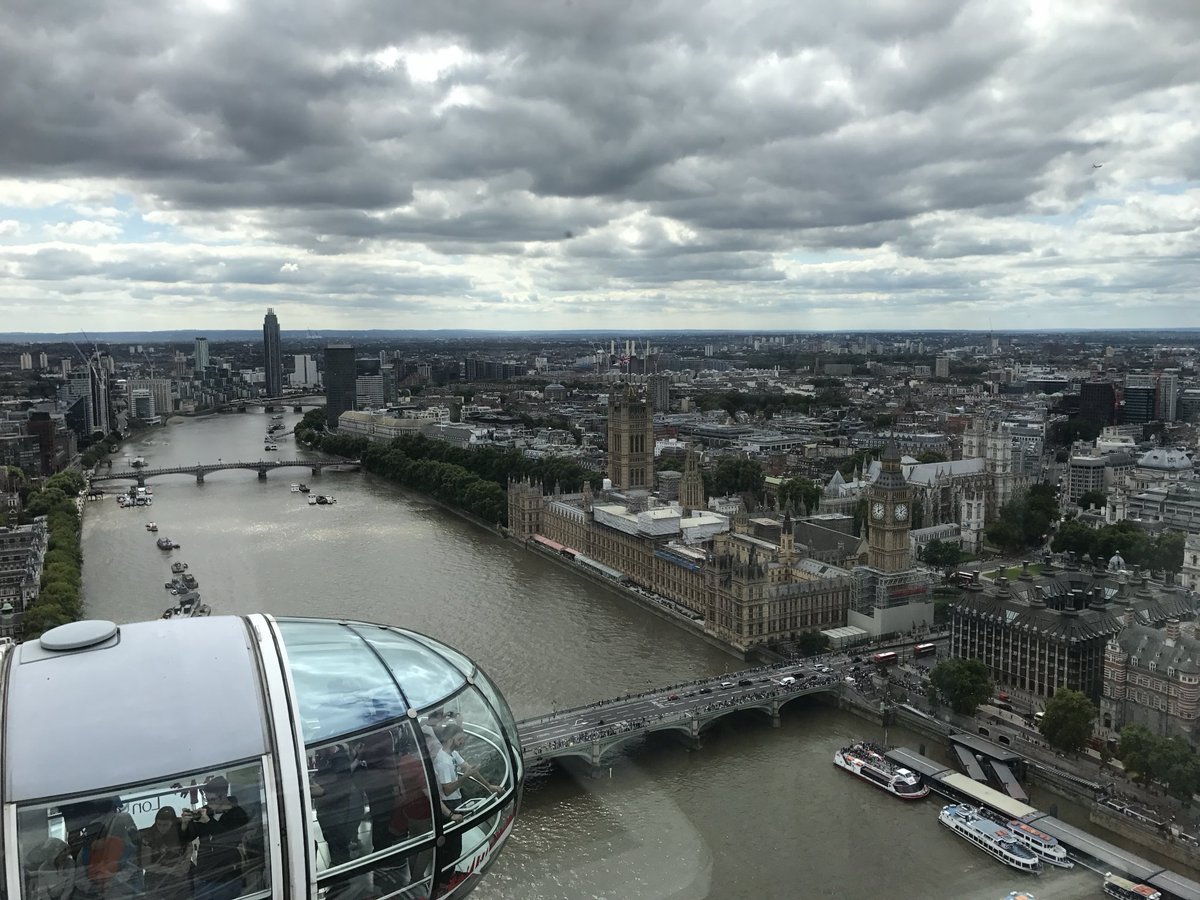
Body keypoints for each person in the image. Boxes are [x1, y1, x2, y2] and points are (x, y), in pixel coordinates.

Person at [181, 776, 249, 900]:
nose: (209, 803)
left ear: (223, 796)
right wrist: (185, 824)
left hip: (228, 878)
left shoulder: (239, 814)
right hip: (204, 876)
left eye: (212, 800)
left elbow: (228, 840)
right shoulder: (207, 811)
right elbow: (188, 838)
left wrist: (208, 821)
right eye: (207, 799)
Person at [140, 806, 192, 900]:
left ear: (172, 823)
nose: (161, 828)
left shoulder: (181, 828)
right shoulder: (148, 836)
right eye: (159, 824)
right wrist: (171, 870)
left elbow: (189, 845)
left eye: (165, 825)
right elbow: (146, 865)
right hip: (157, 880)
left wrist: (187, 862)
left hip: (180, 878)